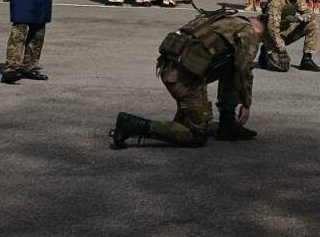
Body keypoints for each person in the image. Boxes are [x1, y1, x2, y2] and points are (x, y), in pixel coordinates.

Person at [109, 8, 263, 148]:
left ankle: (227, 124)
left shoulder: (230, 21)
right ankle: (131, 125)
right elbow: (244, 69)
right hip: (182, 76)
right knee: (195, 135)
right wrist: (246, 103)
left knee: (231, 66)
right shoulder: (249, 33)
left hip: (175, 67)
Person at [257, 0, 320, 71]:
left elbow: (311, 14)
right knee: (282, 67)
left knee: (312, 25)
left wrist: (300, 18)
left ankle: (307, 60)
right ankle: (266, 50)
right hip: (271, 36)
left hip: (284, 32)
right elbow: (272, 29)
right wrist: (281, 49)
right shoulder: (278, 1)